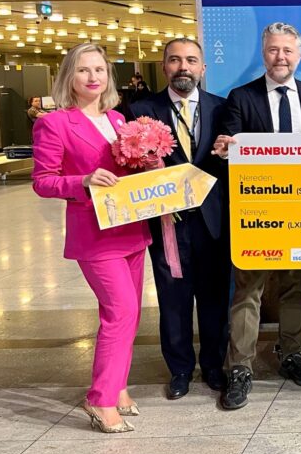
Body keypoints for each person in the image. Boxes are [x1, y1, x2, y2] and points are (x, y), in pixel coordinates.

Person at [31, 43, 151, 433]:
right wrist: (82, 180)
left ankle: (116, 386)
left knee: (129, 314)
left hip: (130, 228)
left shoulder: (117, 119)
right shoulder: (54, 124)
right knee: (121, 312)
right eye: (83, 70)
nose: (93, 77)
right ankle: (100, 398)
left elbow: (127, 171)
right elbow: (43, 181)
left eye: (99, 69)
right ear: (69, 76)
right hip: (95, 234)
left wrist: (149, 164)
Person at [211, 22, 301, 410]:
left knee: (296, 287)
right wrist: (225, 148)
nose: (281, 57)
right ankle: (240, 368)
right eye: (274, 50)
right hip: (257, 213)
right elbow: (228, 148)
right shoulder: (241, 97)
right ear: (264, 54)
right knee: (248, 291)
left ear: (299, 55)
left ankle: (292, 353)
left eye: (287, 50)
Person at [130, 38, 230, 401]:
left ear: (203, 67)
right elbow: (130, 166)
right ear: (164, 66)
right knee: (173, 298)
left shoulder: (223, 108)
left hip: (213, 220)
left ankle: (214, 366)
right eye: (174, 60)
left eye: (190, 60)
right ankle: (180, 369)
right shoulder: (140, 111)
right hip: (168, 222)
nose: (183, 67)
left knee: (215, 298)